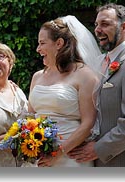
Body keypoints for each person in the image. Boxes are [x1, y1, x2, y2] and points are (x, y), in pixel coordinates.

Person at [67, 3, 125, 167]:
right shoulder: (100, 61)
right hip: (97, 161)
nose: (98, 30)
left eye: (105, 24)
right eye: (96, 25)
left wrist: (98, 148)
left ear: (124, 26)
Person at [28, 15, 102, 167]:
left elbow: (88, 123)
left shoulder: (85, 75)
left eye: (42, 43)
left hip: (71, 158)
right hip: (40, 158)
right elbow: (30, 117)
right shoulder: (37, 77)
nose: (38, 49)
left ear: (59, 43)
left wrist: (58, 153)